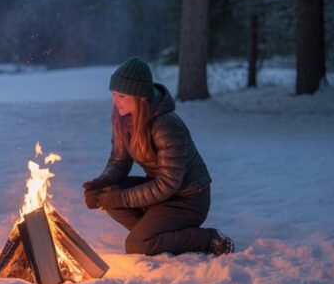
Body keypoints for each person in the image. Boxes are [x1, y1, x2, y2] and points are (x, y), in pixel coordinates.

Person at [83, 57, 234, 257]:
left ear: (139, 97)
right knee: (109, 196)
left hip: (188, 199)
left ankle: (208, 239)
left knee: (137, 245)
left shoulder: (166, 125)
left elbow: (168, 183)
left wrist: (121, 198)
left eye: (120, 95)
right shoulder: (122, 116)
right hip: (161, 194)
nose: (114, 100)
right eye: (113, 93)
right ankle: (155, 235)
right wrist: (101, 183)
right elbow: (119, 160)